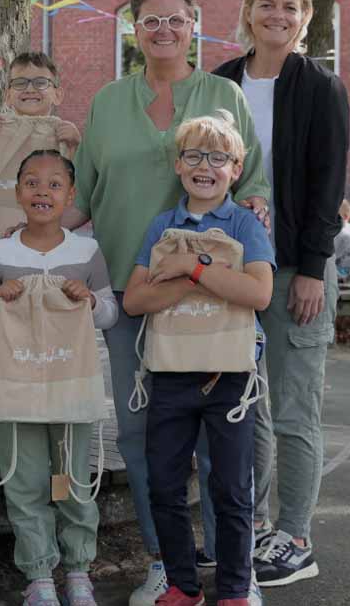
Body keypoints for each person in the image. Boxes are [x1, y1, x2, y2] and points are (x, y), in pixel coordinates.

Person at [66, 0, 271, 605]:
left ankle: (232, 567)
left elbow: (253, 179)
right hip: (138, 286)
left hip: (217, 299)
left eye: (175, 20)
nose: (163, 30)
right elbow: (83, 194)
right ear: (133, 27)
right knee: (140, 430)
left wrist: (255, 211)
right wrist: (26, 239)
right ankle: (166, 563)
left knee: (223, 439)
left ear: (193, 25)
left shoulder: (222, 94)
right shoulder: (106, 101)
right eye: (150, 20)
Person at [213, 0, 349, 587]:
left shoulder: (321, 87)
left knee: (294, 409)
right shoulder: (218, 85)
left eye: (290, 7)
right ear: (248, 12)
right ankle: (258, 526)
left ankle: (296, 535)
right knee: (247, 408)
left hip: (297, 268)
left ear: (304, 17)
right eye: (266, 5)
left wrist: (314, 270)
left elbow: (328, 185)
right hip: (232, 268)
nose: (278, 16)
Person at [123, 111, 274, 606]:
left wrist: (191, 265)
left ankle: (234, 586)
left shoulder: (245, 224)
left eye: (217, 157)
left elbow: (258, 293)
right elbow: (135, 301)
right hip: (169, 372)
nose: (204, 166)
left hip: (229, 376)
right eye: (193, 155)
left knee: (231, 487)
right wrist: (196, 278)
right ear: (178, 164)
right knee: (164, 483)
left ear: (236, 167)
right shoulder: (162, 225)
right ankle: (183, 586)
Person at [0, 150, 117, 606]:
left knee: (71, 478)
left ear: (70, 195)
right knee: (25, 480)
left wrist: (89, 301)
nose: (43, 191)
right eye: (32, 183)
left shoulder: (87, 251)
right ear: (17, 193)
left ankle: (77, 569)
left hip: (70, 387)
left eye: (55, 184)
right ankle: (38, 573)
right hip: (17, 389)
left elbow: (111, 312)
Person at [0, 52, 80, 157]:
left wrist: (76, 144)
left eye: (41, 82)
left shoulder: (63, 134)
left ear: (58, 95)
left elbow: (78, 172)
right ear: (7, 96)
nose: (30, 89)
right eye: (20, 83)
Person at [334, 200, 350, 280]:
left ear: (345, 216)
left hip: (339, 271)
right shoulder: (349, 232)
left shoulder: (343, 234)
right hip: (344, 270)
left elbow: (332, 255)